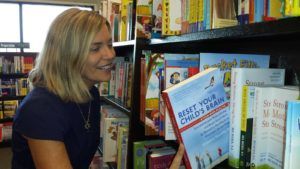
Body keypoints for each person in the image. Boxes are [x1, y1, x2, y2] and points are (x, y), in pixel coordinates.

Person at [12, 8, 185, 169]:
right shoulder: (39, 109)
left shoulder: (90, 93)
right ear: (66, 56)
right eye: (95, 48)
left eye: (109, 45)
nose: (110, 55)